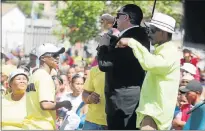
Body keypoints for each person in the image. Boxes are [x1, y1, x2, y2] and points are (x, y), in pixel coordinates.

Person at [116, 13, 180, 130]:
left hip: (154, 112)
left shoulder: (170, 51)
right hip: (152, 111)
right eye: (148, 30)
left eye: (153, 30)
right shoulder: (160, 50)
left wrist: (132, 42)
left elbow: (151, 63)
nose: (149, 33)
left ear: (164, 33)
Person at [97, 4, 150, 130]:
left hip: (122, 103)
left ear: (126, 17)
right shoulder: (139, 33)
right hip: (128, 99)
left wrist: (104, 41)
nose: (116, 19)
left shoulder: (130, 38)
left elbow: (104, 63)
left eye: (118, 16)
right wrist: (113, 23)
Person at [22, 43, 72, 130]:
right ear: (43, 58)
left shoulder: (35, 75)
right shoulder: (44, 77)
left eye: (58, 55)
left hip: (31, 126)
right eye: (54, 55)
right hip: (42, 126)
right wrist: (64, 103)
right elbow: (45, 105)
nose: (57, 57)